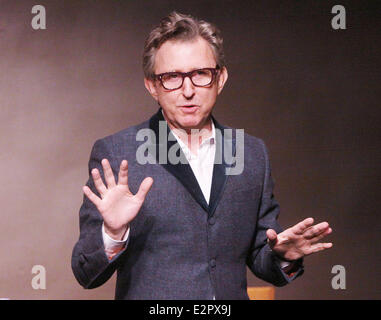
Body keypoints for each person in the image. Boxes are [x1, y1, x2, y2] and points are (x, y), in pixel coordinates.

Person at [71, 11, 332, 300]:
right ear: (152, 86)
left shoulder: (251, 153)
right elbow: (86, 274)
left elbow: (261, 255)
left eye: (200, 74)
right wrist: (113, 232)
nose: (188, 90)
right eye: (171, 77)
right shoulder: (118, 153)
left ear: (220, 79)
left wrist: (284, 255)